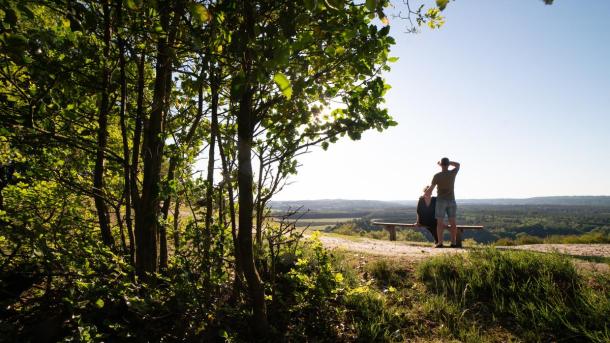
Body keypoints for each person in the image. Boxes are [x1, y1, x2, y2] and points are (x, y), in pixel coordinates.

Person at [425, 157, 460, 248]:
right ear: (448, 165)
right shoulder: (452, 173)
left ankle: (440, 243)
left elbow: (431, 189)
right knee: (453, 223)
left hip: (441, 201)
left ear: (441, 165)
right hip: (451, 200)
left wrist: (426, 194)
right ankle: (453, 243)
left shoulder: (437, 176)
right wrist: (447, 163)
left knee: (440, 223)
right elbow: (458, 165)